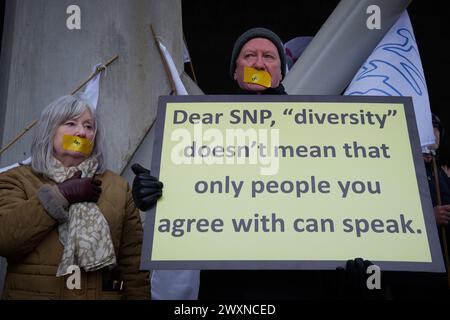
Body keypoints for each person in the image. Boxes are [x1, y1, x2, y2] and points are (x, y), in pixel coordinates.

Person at [132, 27, 382, 300]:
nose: (259, 63)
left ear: (281, 72)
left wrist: (356, 271)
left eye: (269, 57)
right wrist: (157, 195)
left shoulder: (316, 130)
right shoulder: (200, 128)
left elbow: (341, 196)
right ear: (235, 72)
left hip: (301, 282)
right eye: (249, 55)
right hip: (225, 285)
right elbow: (189, 194)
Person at [0, 93, 150, 299]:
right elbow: (6, 240)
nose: (81, 132)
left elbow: (132, 265)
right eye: (71, 124)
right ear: (49, 131)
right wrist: (60, 195)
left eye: (89, 127)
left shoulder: (118, 187)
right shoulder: (16, 179)